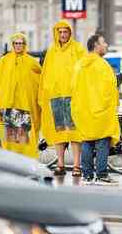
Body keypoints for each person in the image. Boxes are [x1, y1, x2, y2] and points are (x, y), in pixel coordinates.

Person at [71, 34, 121, 185]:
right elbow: (110, 87)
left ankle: (87, 176)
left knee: (87, 141)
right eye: (103, 42)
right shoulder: (102, 65)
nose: (106, 45)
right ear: (95, 45)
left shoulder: (79, 65)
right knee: (102, 142)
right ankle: (101, 175)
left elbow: (73, 87)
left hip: (83, 111)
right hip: (100, 111)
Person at [39, 20, 86, 177]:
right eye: (60, 32)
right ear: (56, 33)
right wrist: (46, 91)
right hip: (56, 97)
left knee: (75, 133)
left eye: (65, 32)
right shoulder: (52, 51)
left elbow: (85, 70)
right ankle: (60, 164)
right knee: (59, 133)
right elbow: (45, 73)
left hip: (74, 98)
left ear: (70, 33)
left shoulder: (78, 49)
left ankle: (77, 165)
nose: (63, 35)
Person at [0, 33, 41, 158]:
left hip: (26, 106)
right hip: (9, 106)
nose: (18, 45)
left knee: (27, 139)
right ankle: (12, 162)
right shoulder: (3, 61)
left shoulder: (31, 62)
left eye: (20, 43)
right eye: (16, 43)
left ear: (24, 44)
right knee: (11, 140)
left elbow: (40, 79)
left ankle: (28, 163)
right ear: (12, 44)